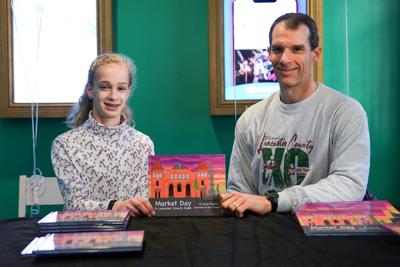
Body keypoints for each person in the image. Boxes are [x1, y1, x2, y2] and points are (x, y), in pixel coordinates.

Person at [219, 13, 370, 218]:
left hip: (326, 237)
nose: (285, 59)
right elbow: (240, 192)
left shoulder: (346, 112)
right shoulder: (250, 119)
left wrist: (274, 201)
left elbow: (350, 185)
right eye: (278, 49)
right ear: (269, 53)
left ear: (315, 54)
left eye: (297, 49)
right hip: (266, 237)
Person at [51, 53, 155, 217]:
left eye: (120, 88)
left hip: (133, 233)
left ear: (127, 93)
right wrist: (116, 206)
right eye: (105, 87)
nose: (113, 96)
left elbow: (144, 203)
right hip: (83, 236)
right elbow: (74, 206)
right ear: (91, 90)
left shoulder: (143, 144)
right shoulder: (65, 144)